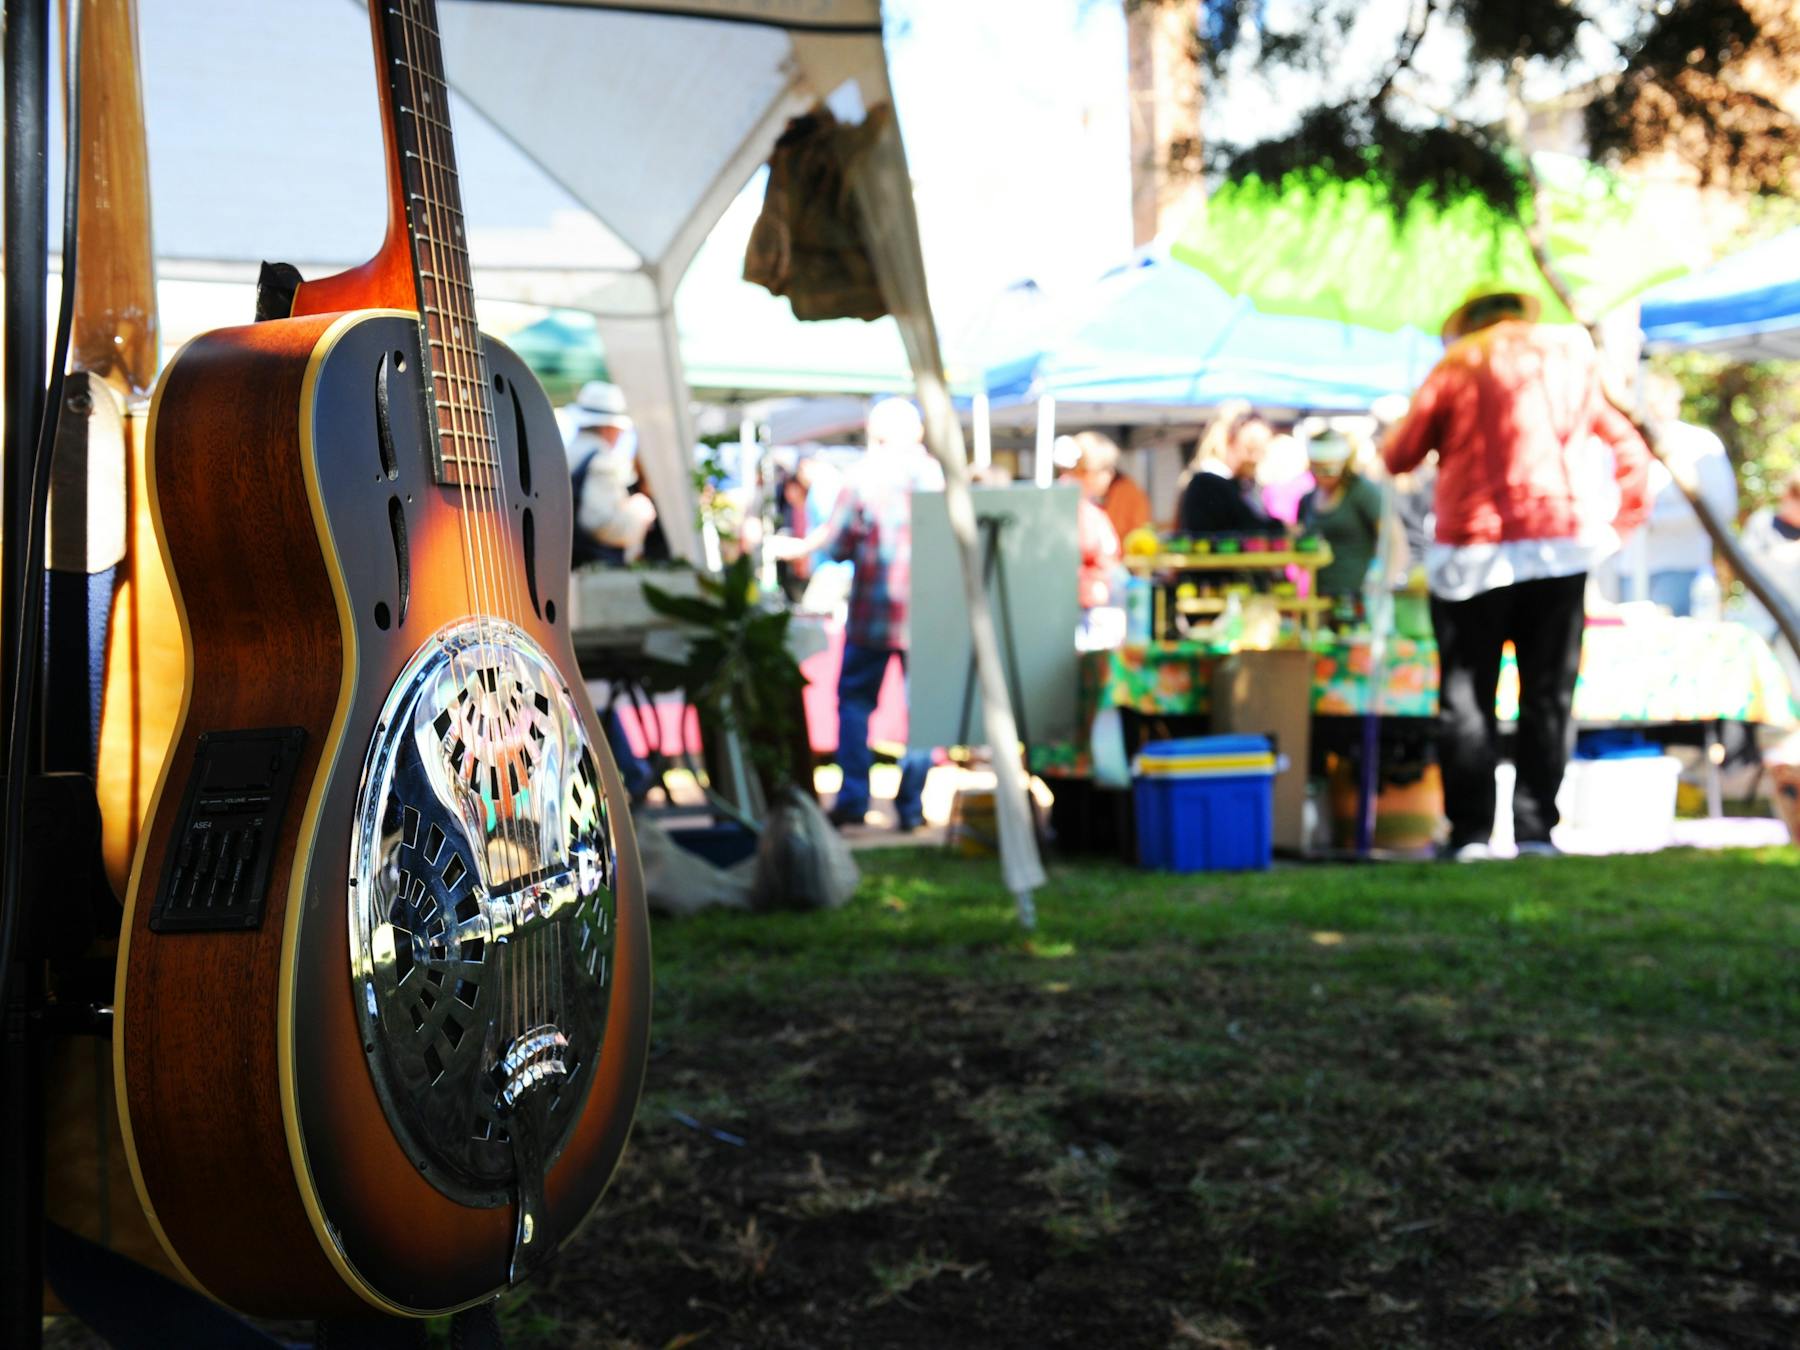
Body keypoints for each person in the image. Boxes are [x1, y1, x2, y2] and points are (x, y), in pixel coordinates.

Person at [1383, 288, 1651, 861]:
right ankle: (1535, 832)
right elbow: (1629, 447)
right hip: (1558, 547)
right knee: (1547, 696)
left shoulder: (1458, 366)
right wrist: (1618, 524)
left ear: (1467, 321)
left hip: (1473, 554)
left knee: (1467, 698)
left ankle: (1470, 835)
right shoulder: (1569, 360)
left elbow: (1399, 455)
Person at [772, 399, 942, 830]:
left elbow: (840, 545)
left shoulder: (864, 476)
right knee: (923, 710)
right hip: (927, 609)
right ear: (916, 432)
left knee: (854, 703)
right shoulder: (934, 475)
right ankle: (911, 806)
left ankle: (853, 799)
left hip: (873, 608)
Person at [1618, 372, 1738, 614]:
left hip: (1682, 564)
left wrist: (1655, 520)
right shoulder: (1624, 442)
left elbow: (1723, 508)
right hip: (1629, 566)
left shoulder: (1700, 443)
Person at [564, 381, 657, 565]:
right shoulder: (603, 462)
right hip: (589, 567)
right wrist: (640, 513)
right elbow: (600, 523)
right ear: (609, 428)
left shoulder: (563, 453)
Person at [1298, 430, 1385, 596]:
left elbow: (1390, 538)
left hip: (1358, 594)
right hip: (1319, 595)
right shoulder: (1307, 500)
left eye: (1329, 470)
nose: (1322, 477)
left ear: (1343, 465)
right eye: (1317, 470)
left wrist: (1379, 578)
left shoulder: (1362, 492)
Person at [1176, 402, 1278, 535]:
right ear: (1229, 439)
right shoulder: (1207, 483)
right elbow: (1249, 528)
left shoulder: (1243, 485)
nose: (1256, 459)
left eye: (1261, 451)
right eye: (1251, 449)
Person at [1068, 430, 1151, 541]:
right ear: (1088, 471)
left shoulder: (1126, 491)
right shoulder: (1083, 507)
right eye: (1106, 468)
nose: (1111, 474)